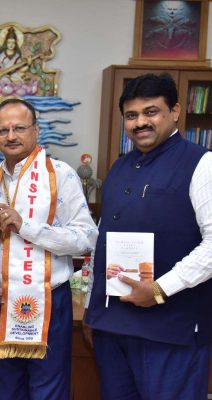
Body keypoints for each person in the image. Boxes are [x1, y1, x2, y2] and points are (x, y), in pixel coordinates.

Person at [85, 73, 212, 400]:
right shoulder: (119, 167)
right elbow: (103, 241)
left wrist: (159, 289)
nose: (140, 122)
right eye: (131, 115)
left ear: (175, 111)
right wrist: (92, 311)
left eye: (151, 112)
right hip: (112, 327)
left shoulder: (201, 164)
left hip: (172, 329)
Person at [0, 98, 98, 399]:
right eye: (2, 130)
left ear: (36, 130)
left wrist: (26, 227)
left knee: (48, 391)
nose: (11, 136)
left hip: (47, 300)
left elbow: (87, 237)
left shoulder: (61, 175)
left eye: (19, 128)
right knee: (7, 390)